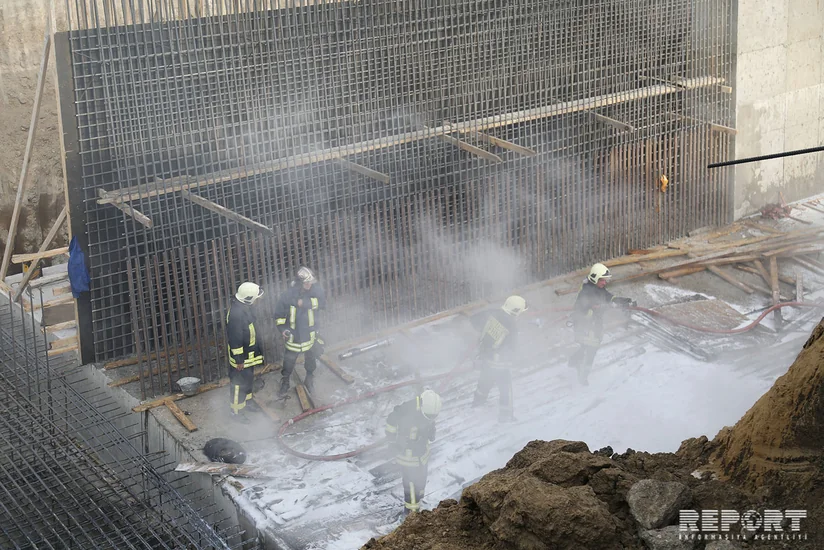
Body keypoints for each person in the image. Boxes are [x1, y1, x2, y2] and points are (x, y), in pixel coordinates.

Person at [568, 263, 635, 385]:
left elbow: (606, 296)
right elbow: (588, 308)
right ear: (595, 278)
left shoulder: (596, 287)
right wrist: (604, 306)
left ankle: (574, 361)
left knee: (588, 346)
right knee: (592, 349)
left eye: (605, 280)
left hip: (593, 324)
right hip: (586, 326)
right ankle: (583, 376)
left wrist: (619, 300)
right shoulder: (587, 292)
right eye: (602, 280)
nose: (605, 283)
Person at [384, 389, 442, 516]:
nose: (431, 418)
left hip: (422, 454)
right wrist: (392, 441)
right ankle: (411, 511)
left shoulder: (429, 409)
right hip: (408, 455)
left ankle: (419, 499)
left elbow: (430, 423)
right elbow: (391, 421)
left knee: (421, 479)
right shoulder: (406, 411)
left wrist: (432, 431)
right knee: (411, 483)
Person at [471, 295, 527, 423]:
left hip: (486, 358)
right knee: (505, 389)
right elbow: (512, 348)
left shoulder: (494, 314)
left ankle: (477, 404)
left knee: (484, 382)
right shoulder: (511, 325)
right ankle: (505, 416)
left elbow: (475, 321)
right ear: (516, 311)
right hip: (500, 364)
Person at [274, 266, 326, 396]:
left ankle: (309, 378)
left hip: (310, 333)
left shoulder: (316, 290)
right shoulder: (287, 296)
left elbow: (322, 304)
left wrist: (305, 303)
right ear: (300, 283)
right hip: (294, 335)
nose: (310, 284)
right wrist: (282, 330)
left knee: (311, 357)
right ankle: (285, 381)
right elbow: (279, 315)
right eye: (307, 282)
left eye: (310, 282)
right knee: (289, 360)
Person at [226, 282, 265, 423]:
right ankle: (236, 412)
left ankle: (248, 402)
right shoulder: (236, 315)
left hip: (249, 354)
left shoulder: (245, 308)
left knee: (248, 379)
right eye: (256, 298)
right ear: (248, 299)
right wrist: (239, 360)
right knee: (238, 384)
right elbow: (235, 339)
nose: (258, 301)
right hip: (241, 358)